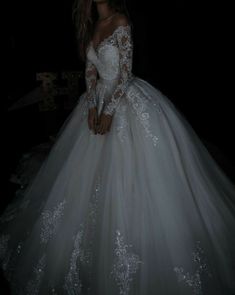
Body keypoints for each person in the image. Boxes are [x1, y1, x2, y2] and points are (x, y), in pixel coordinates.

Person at [1, 0, 235, 294]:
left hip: (124, 101)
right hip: (97, 98)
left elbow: (124, 73)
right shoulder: (92, 25)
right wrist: (90, 105)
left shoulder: (121, 21)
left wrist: (108, 111)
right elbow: (90, 69)